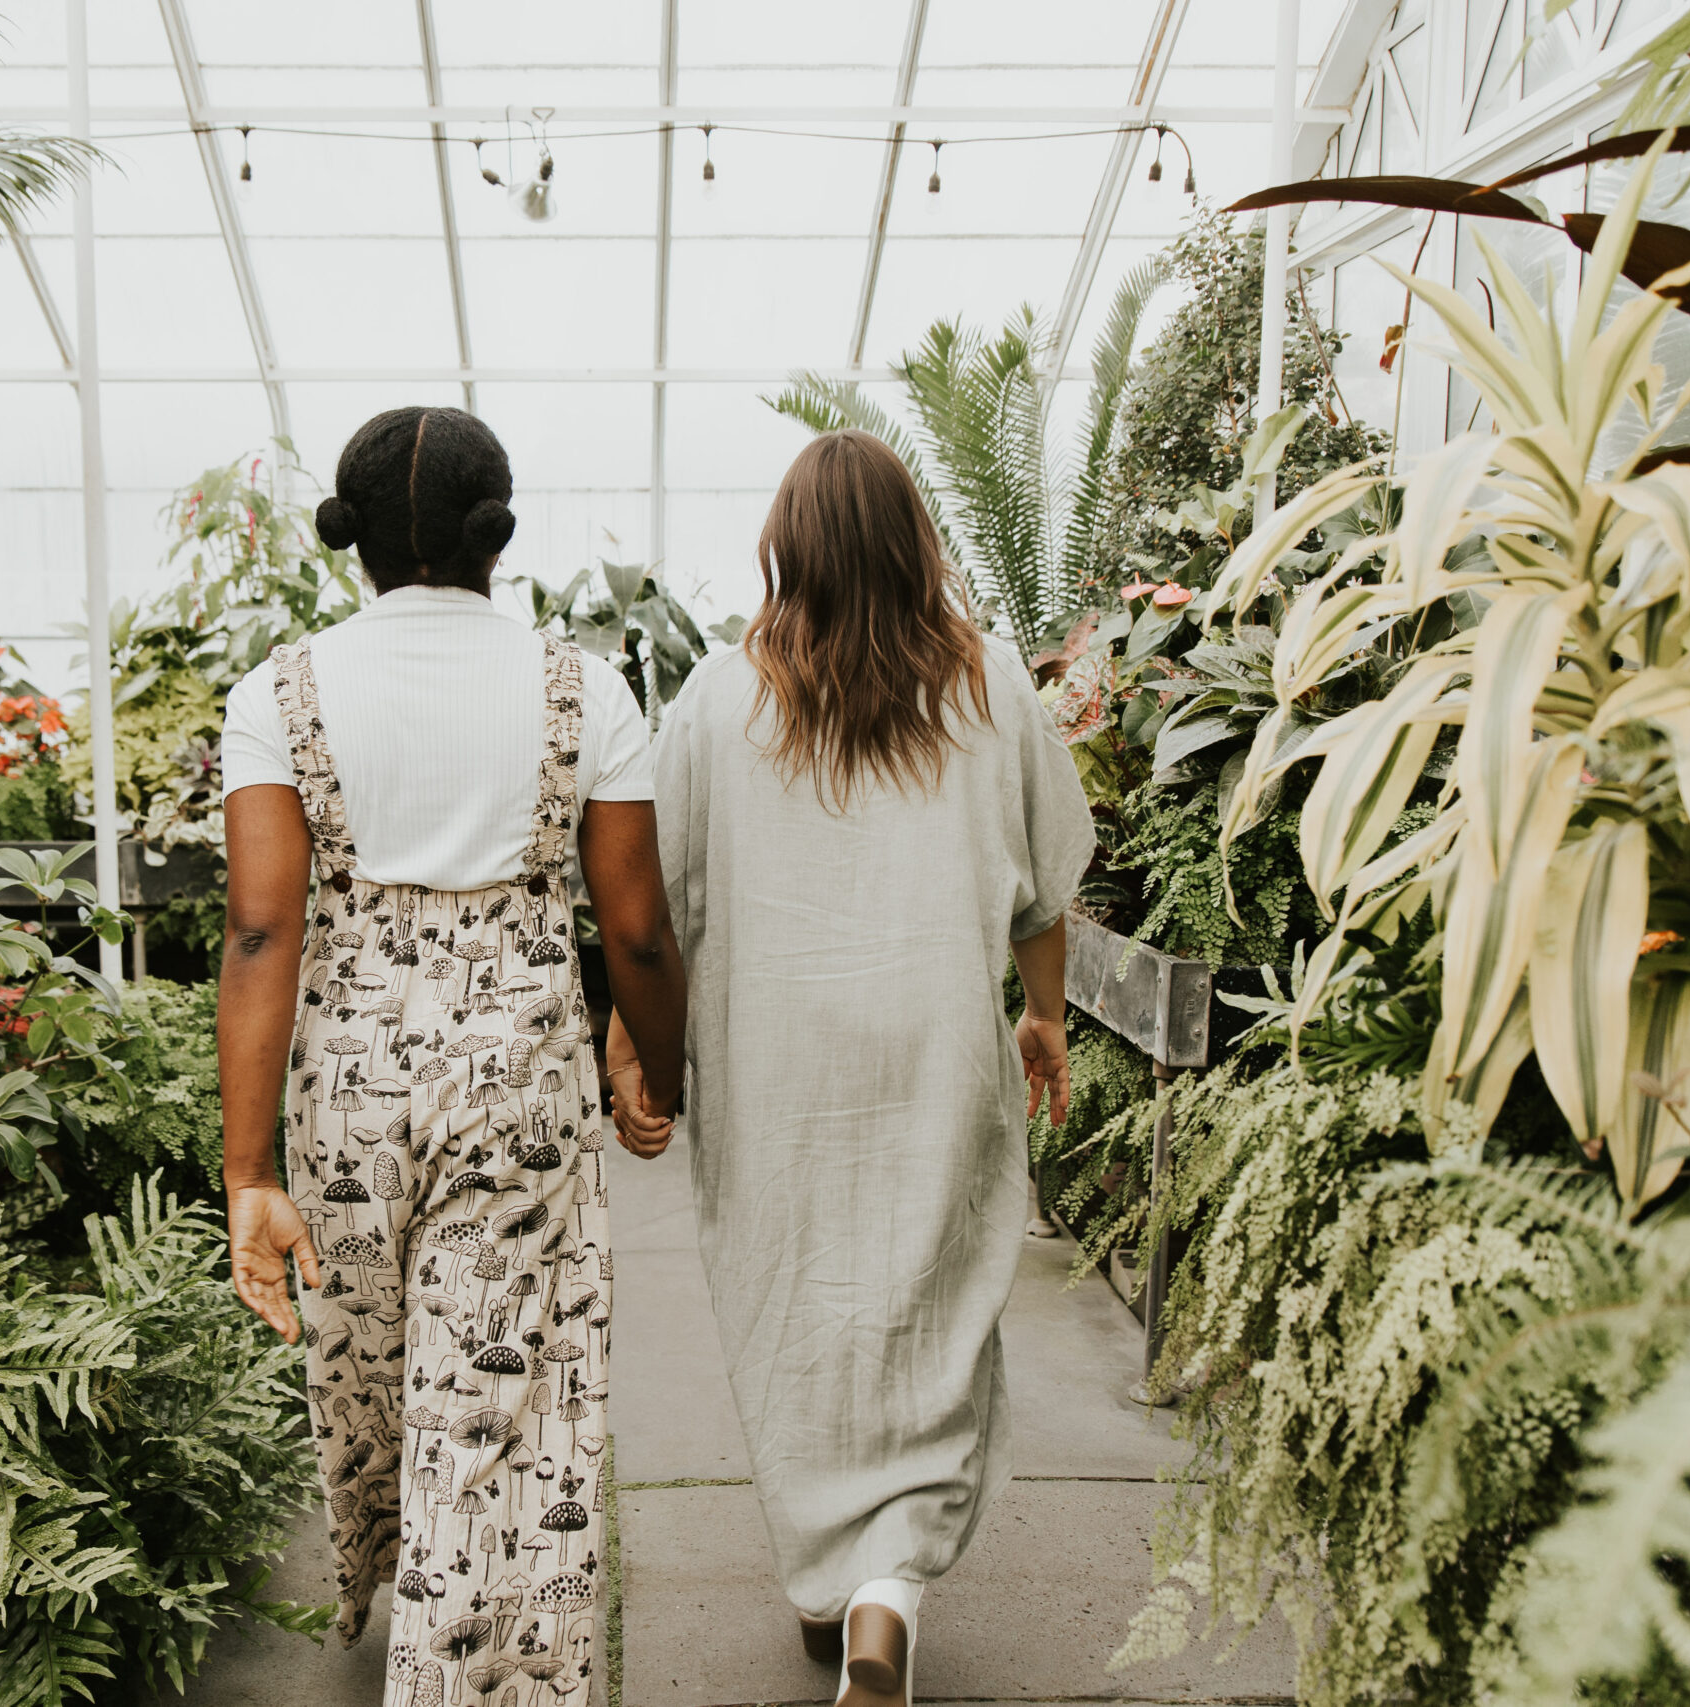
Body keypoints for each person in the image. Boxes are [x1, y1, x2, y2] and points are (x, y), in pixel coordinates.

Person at [214, 406, 687, 1707]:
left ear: (349, 540)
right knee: (494, 1417)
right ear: (500, 535)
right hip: (516, 1093)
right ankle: (473, 1659)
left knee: (368, 1375)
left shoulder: (281, 691)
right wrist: (662, 1063)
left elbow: (261, 929)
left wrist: (246, 1168)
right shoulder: (584, 687)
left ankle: (398, 1595)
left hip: (347, 1097)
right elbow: (636, 929)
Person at [615, 429, 1093, 1707]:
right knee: (931, 1312)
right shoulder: (989, 683)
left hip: (773, 1061)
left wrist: (634, 1045)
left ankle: (834, 1580)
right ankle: (885, 1592)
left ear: (787, 548)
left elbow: (657, 903)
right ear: (910, 542)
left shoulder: (720, 696)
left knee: (800, 1307)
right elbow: (1043, 886)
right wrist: (1041, 1018)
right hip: (936, 1047)